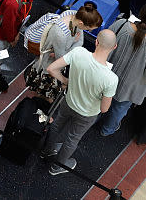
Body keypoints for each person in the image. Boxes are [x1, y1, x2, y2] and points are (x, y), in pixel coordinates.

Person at [42, 29, 119, 175]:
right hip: (87, 114)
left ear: (96, 42)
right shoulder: (111, 79)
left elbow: (51, 68)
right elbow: (104, 109)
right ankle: (57, 167)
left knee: (57, 125)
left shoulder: (79, 52)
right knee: (72, 139)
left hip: (68, 102)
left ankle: (46, 151)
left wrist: (65, 80)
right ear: (114, 47)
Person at [99, 3, 146, 136]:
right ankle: (107, 130)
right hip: (129, 89)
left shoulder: (120, 24)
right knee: (118, 109)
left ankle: (91, 121)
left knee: (98, 101)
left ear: (140, 13)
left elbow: (102, 43)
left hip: (106, 77)